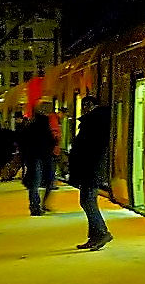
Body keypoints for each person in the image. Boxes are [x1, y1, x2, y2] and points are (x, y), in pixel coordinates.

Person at [67, 96, 113, 250]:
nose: (85, 107)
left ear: (95, 105)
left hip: (91, 169)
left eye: (88, 104)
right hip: (89, 168)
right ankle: (95, 236)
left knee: (87, 201)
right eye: (84, 104)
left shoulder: (95, 123)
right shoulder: (92, 122)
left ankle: (101, 232)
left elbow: (89, 149)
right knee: (87, 200)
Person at [21, 105, 57, 216]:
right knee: (47, 181)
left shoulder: (30, 126)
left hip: (34, 158)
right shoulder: (46, 126)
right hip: (45, 157)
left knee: (34, 183)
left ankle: (35, 206)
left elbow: (24, 143)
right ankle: (40, 205)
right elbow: (51, 141)